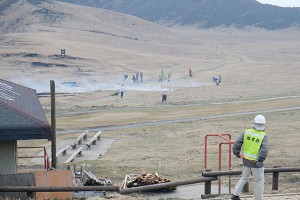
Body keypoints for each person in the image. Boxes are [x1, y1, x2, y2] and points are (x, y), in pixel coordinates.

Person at [231, 115, 269, 200]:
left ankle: (235, 194)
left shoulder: (247, 132)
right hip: (256, 163)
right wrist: (260, 160)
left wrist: (237, 154)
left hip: (246, 161)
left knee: (244, 178)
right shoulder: (263, 136)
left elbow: (237, 144)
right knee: (259, 182)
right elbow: (264, 150)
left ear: (254, 123)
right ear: (264, 125)